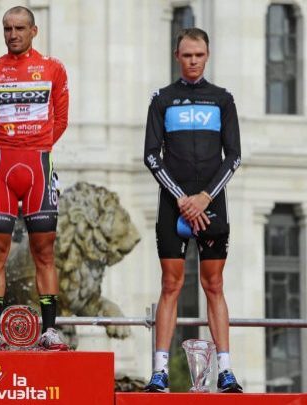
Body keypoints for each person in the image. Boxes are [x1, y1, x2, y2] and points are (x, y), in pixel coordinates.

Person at [143, 28, 242, 393]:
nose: (193, 61)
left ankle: (226, 371)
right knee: (170, 284)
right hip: (174, 207)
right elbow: (151, 155)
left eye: (199, 55)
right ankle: (160, 373)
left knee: (213, 284)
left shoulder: (222, 99)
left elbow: (234, 156)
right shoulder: (162, 99)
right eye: (187, 55)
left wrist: (203, 198)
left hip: (211, 205)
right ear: (177, 56)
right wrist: (183, 199)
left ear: (208, 55)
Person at [0, 6, 69, 351]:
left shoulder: (53, 69)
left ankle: (50, 330)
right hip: (2, 166)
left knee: (44, 252)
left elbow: (61, 120)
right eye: (7, 28)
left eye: (20, 28)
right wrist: (10, 143)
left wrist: (33, 142)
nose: (13, 34)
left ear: (34, 31)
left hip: (38, 166)